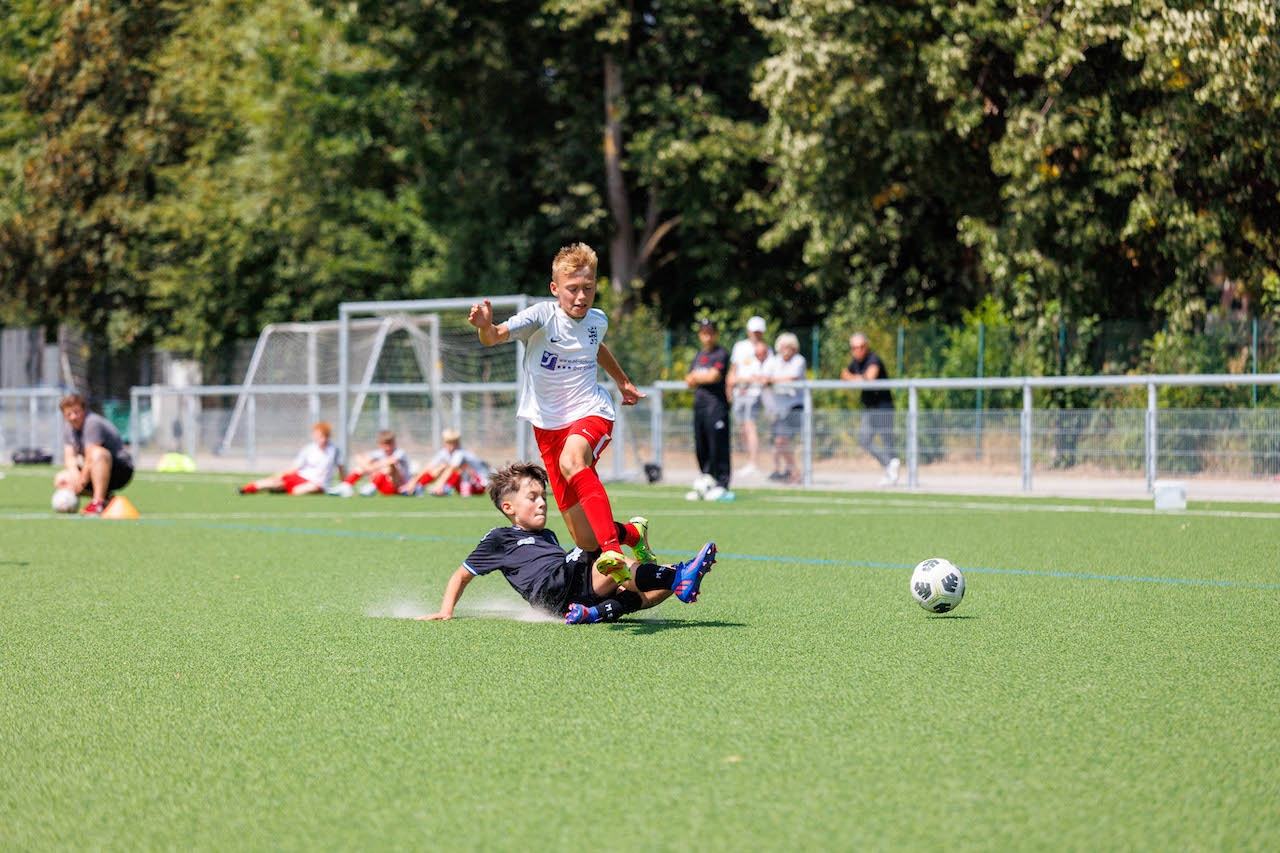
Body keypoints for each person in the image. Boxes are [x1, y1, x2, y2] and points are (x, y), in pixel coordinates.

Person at [467, 242, 646, 584]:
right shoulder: (541, 316)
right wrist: (484, 326)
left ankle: (612, 550)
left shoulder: (597, 319)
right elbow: (494, 337)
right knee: (585, 539)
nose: (581, 297)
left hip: (591, 411)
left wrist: (622, 382)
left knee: (572, 460)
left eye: (588, 288)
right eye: (573, 289)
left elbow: (595, 347)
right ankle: (633, 534)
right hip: (548, 428)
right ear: (554, 288)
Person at [417, 463, 716, 624]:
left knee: (646, 587)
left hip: (571, 595)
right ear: (508, 508)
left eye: (543, 497)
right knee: (598, 547)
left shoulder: (548, 536)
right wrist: (446, 610)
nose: (542, 503)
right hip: (549, 591)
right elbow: (461, 575)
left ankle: (596, 613)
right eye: (532, 498)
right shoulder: (500, 538)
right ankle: (674, 573)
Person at [54, 393, 135, 516]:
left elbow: (91, 455)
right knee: (62, 479)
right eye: (69, 414)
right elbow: (69, 456)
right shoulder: (68, 427)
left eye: (76, 412)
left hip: (120, 470)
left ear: (84, 410)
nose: (73, 417)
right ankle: (108, 499)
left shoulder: (93, 423)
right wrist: (74, 475)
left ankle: (98, 502)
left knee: (98, 453)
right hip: (95, 468)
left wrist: (82, 481)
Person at [684, 318, 734, 501]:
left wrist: (698, 376)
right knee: (701, 445)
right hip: (700, 406)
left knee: (718, 445)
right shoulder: (699, 355)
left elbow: (713, 376)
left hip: (716, 406)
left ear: (716, 334)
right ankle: (707, 481)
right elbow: (689, 380)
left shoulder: (721, 354)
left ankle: (722, 484)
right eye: (704, 333)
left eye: (711, 333)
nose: (707, 337)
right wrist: (700, 376)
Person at [841, 332, 900, 486]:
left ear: (866, 346)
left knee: (887, 440)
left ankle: (891, 470)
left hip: (883, 406)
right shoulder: (855, 362)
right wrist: (859, 378)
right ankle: (889, 465)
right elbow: (844, 374)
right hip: (870, 408)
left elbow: (871, 376)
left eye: (861, 346)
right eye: (854, 347)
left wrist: (857, 379)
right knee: (864, 439)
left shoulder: (873, 359)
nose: (858, 350)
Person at [239, 422, 341, 495]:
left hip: (318, 484)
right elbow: (296, 468)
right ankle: (246, 489)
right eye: (320, 436)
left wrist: (344, 485)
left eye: (325, 436)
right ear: (314, 436)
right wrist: (280, 475)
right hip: (301, 477)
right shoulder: (309, 449)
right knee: (273, 482)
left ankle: (281, 490)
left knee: (300, 491)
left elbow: (341, 467)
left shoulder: (334, 450)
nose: (323, 440)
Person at [727, 316, 772, 474]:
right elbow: (733, 371)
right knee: (742, 428)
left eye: (759, 331)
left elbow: (764, 375)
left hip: (754, 394)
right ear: (748, 331)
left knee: (750, 426)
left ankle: (754, 462)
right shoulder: (740, 347)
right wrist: (729, 389)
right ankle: (749, 461)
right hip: (739, 393)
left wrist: (744, 381)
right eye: (754, 331)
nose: (756, 334)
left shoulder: (767, 349)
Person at [763, 332, 807, 484]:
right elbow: (764, 377)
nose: (786, 350)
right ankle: (789, 471)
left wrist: (771, 380)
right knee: (779, 442)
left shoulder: (799, 360)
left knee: (782, 440)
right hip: (779, 409)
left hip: (795, 407)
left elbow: (791, 378)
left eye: (789, 347)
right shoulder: (774, 361)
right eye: (784, 346)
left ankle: (794, 473)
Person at [399, 428, 490, 496]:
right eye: (448, 442)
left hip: (479, 485)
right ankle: (419, 487)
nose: (451, 445)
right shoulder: (444, 452)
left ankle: (444, 488)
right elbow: (429, 467)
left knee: (459, 467)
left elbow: (452, 468)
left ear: (457, 442)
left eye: (453, 442)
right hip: (463, 483)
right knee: (442, 465)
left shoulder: (460, 453)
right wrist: (412, 482)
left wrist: (439, 484)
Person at [333, 429, 409, 496]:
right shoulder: (380, 453)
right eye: (385, 445)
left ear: (394, 443)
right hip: (384, 486)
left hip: (398, 487)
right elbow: (359, 458)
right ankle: (346, 485)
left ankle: (371, 487)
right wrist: (368, 467)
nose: (388, 448)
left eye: (390, 444)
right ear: (380, 445)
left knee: (388, 467)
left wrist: (372, 468)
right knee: (360, 468)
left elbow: (391, 461)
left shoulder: (399, 452)